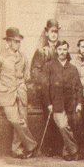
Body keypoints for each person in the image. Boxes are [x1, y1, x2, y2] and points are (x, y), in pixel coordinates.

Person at [0, 28, 38, 159]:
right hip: (6, 94)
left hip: (21, 93)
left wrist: (25, 88)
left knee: (23, 121)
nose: (18, 44)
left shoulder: (23, 57)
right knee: (15, 120)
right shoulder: (0, 57)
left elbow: (27, 77)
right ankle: (32, 144)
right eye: (15, 41)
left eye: (19, 42)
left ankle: (17, 150)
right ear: (8, 42)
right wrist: (0, 88)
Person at [42, 40, 84, 161]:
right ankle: (75, 150)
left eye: (64, 49)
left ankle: (67, 153)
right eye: (60, 49)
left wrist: (79, 103)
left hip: (71, 103)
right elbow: (45, 87)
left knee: (71, 125)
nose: (62, 52)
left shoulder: (72, 68)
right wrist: (49, 103)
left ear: (67, 50)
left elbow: (78, 87)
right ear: (56, 50)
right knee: (63, 126)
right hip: (56, 104)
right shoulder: (49, 66)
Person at [30, 19, 60, 155]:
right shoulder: (41, 51)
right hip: (46, 91)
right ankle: (49, 148)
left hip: (59, 91)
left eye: (56, 32)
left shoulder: (62, 49)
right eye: (52, 32)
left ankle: (60, 146)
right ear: (47, 33)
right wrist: (46, 84)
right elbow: (35, 72)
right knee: (49, 117)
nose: (54, 35)